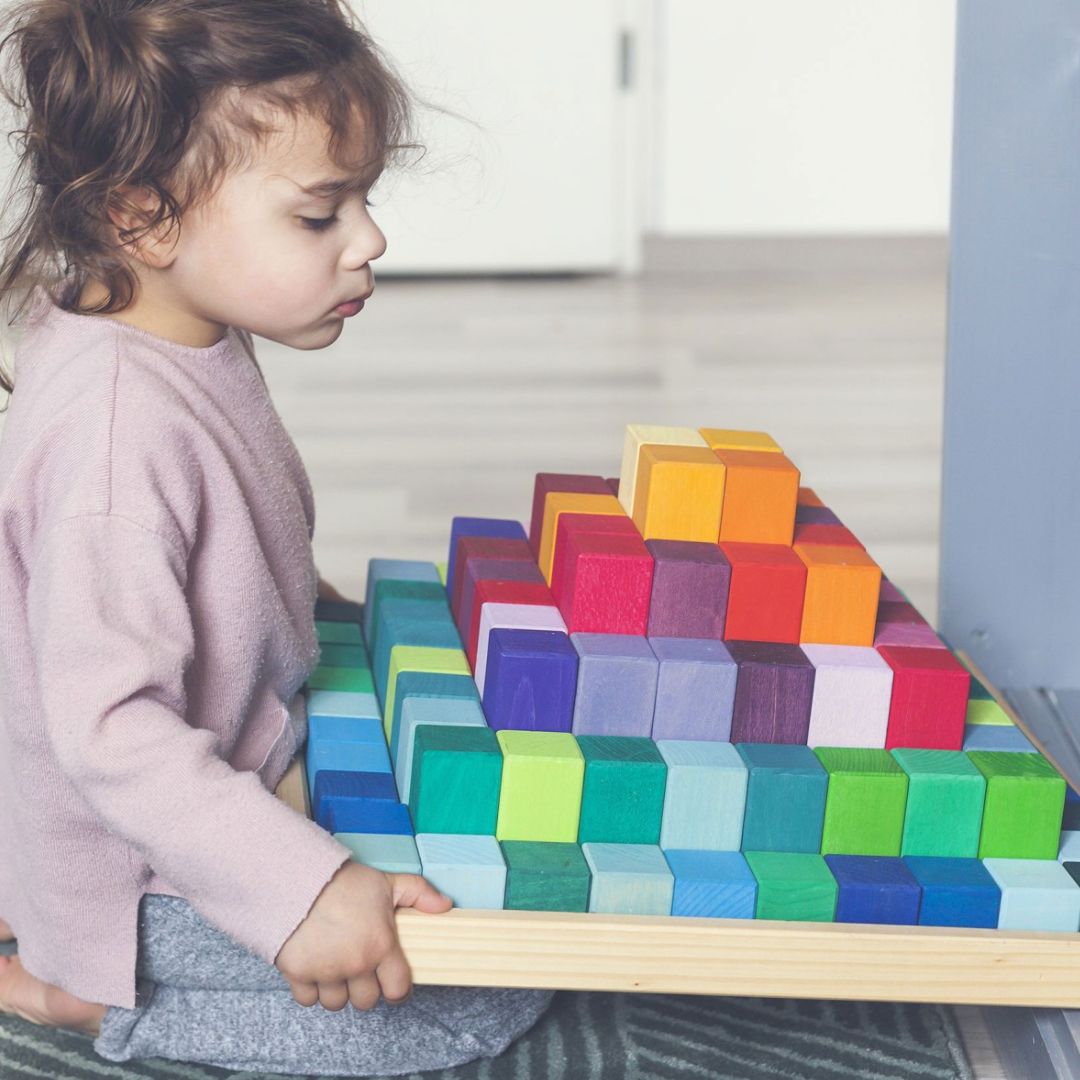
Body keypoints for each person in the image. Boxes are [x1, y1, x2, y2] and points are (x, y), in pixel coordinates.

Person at [0, 0, 553, 1073]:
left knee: (505, 886)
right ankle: (81, 992)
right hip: (137, 874)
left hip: (226, 772)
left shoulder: (174, 321)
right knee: (472, 995)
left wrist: (346, 624)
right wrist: (306, 888)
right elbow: (111, 732)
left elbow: (222, 554)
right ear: (142, 217)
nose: (369, 240)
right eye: (319, 215)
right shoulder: (115, 439)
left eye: (364, 202)